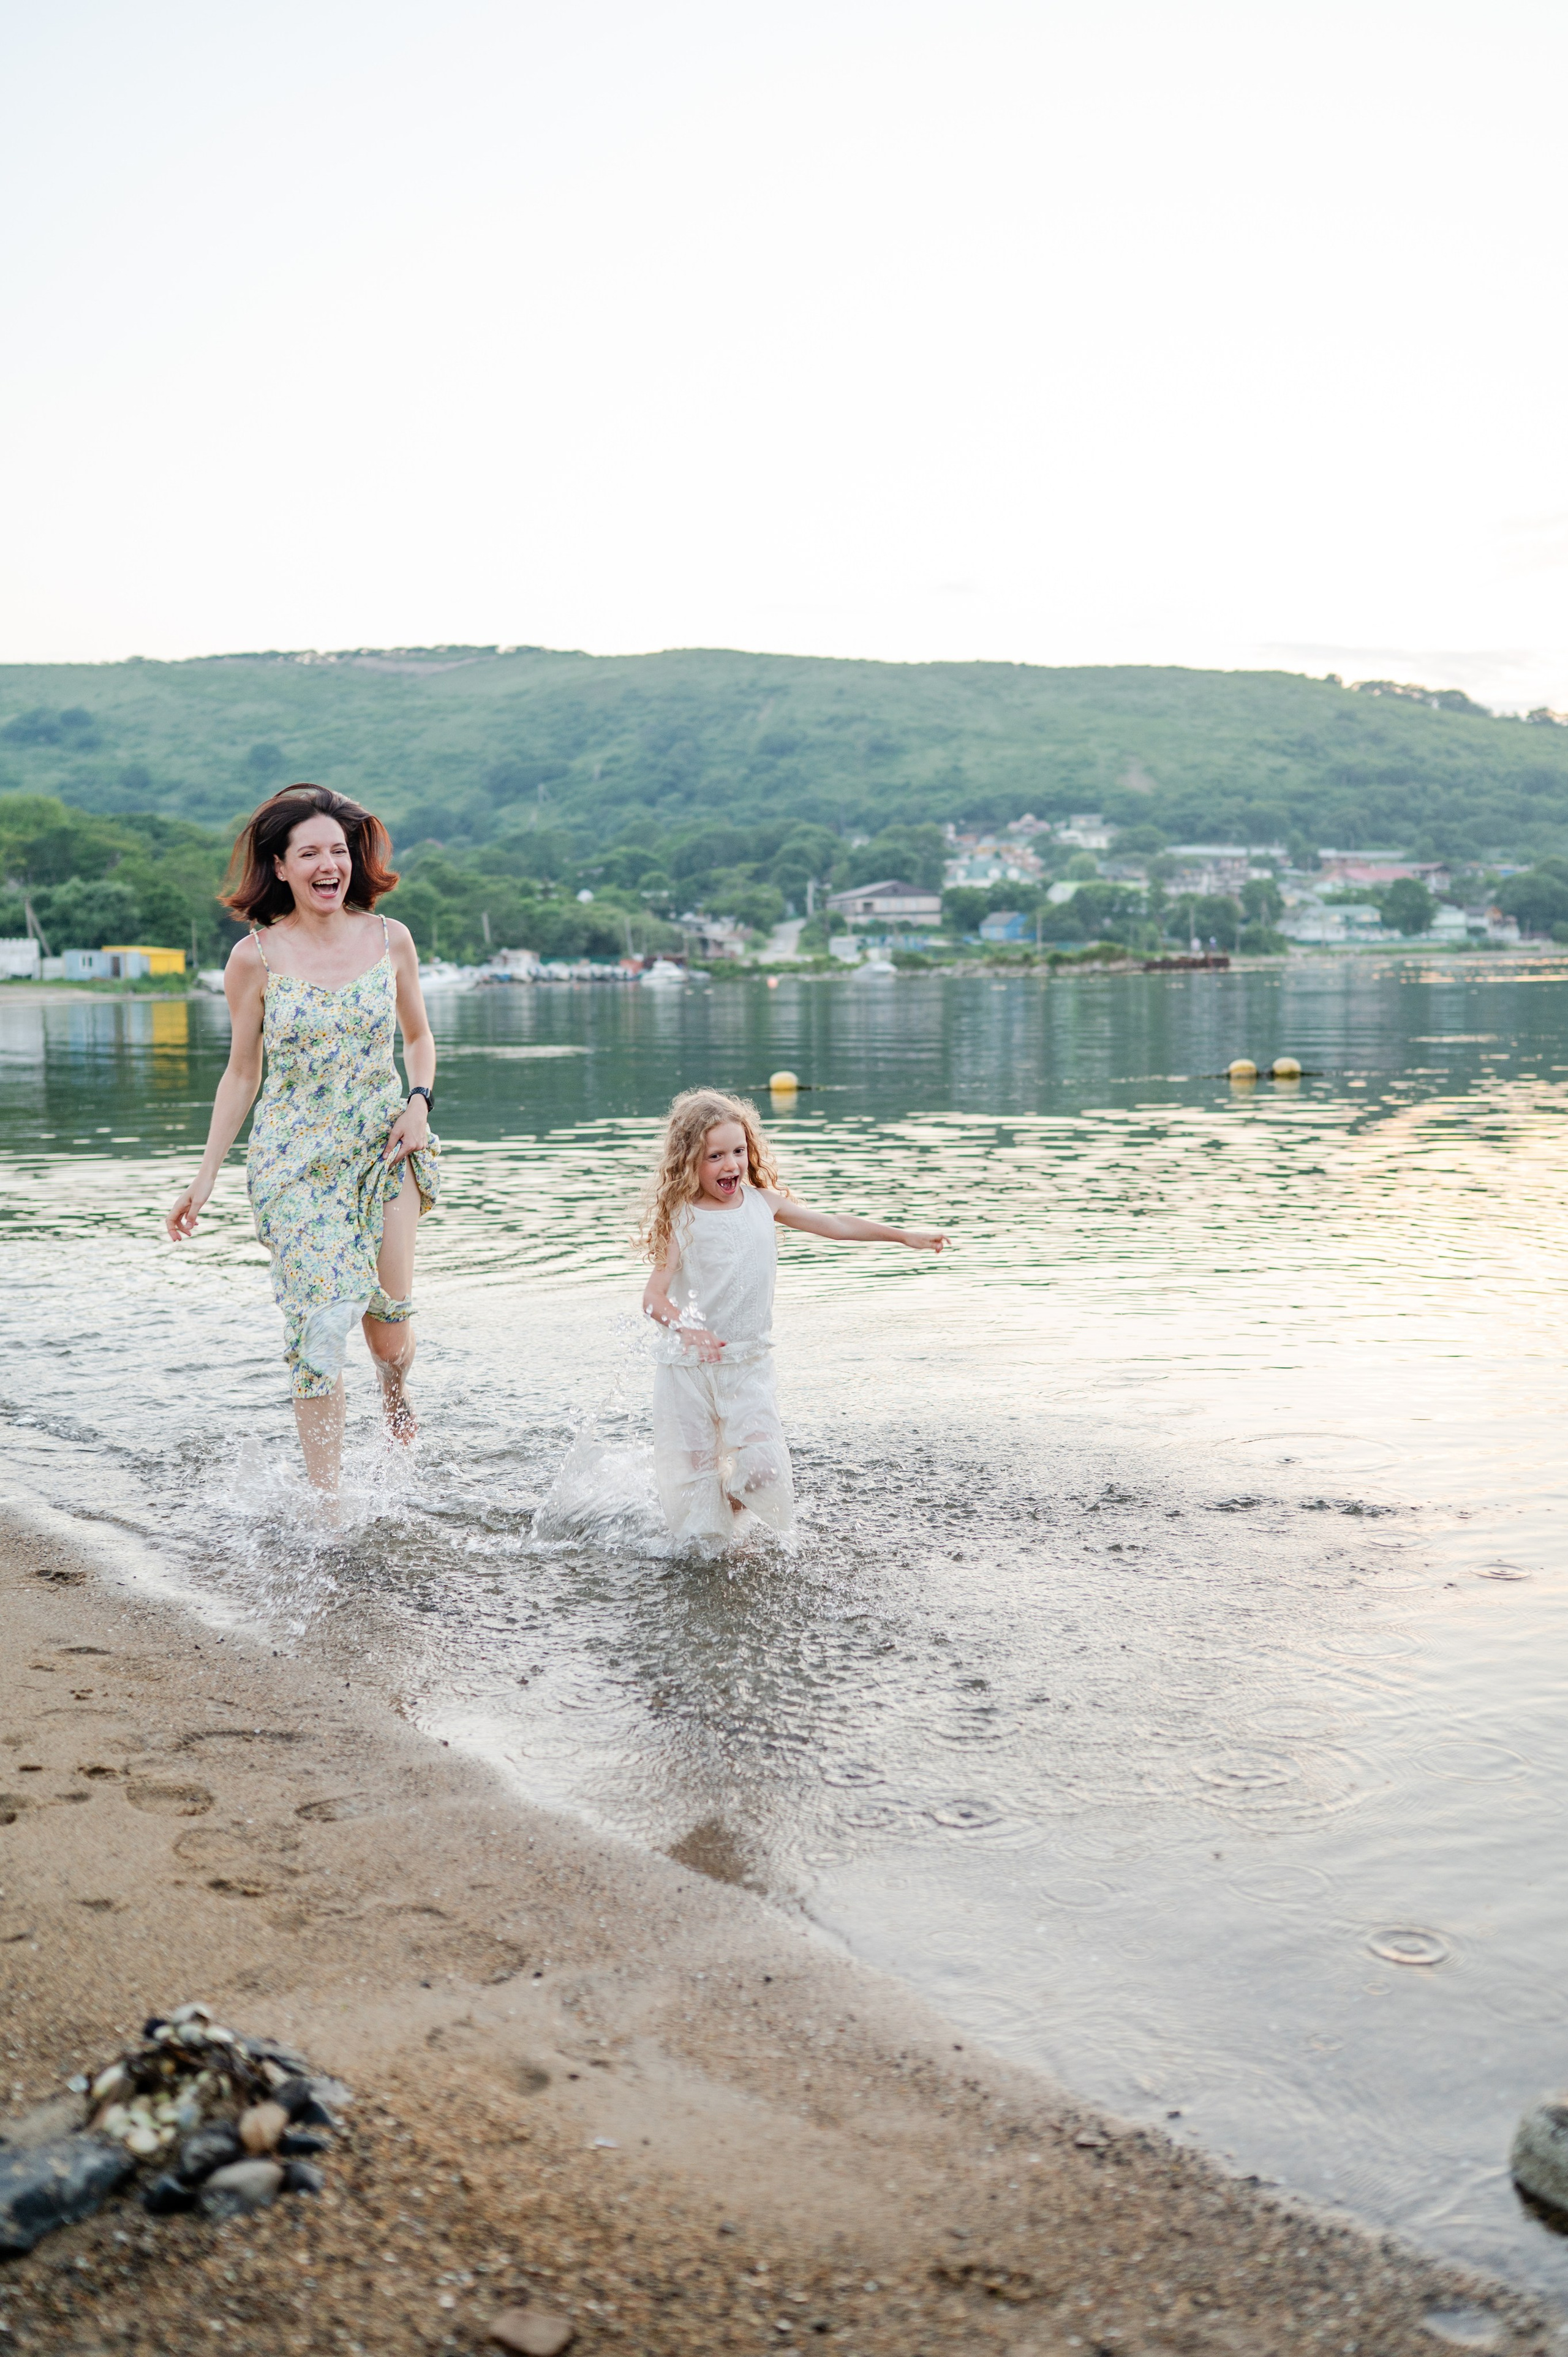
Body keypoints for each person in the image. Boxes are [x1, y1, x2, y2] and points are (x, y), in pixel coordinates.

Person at [166, 786, 440, 1492]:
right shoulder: (253, 958)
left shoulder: (390, 938)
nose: (329, 864)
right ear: (280, 867)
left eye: (339, 851)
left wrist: (419, 1103)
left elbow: (418, 1036)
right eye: (310, 853)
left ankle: (393, 1388)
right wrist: (205, 1177)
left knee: (388, 1332)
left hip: (386, 1151)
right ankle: (328, 1510)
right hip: (293, 1164)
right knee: (320, 1327)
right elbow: (240, 1073)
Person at [638, 1088, 948, 1545]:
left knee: (762, 1472)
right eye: (715, 1156)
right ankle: (710, 1544)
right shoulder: (683, 1220)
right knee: (693, 1493)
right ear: (689, 1161)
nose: (731, 1166)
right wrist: (687, 1328)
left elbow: (837, 1226)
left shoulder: (765, 1204)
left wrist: (903, 1237)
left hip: (748, 1365)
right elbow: (652, 1298)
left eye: (739, 1152)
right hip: (691, 1371)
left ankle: (726, 1509)